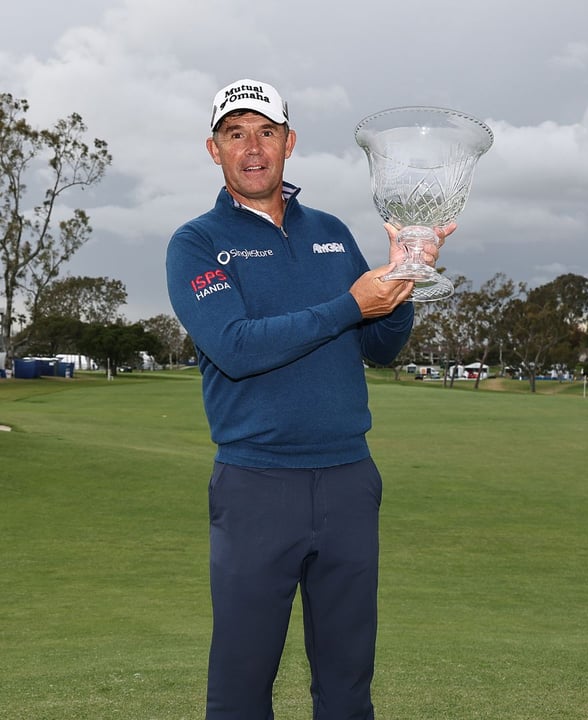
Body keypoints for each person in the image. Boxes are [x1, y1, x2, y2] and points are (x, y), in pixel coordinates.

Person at [166, 78, 451, 719]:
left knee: (348, 684)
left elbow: (379, 344)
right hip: (256, 485)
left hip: (349, 481)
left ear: (289, 143)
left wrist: (404, 276)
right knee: (241, 688)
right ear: (214, 150)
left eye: (266, 132)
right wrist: (349, 304)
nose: (252, 147)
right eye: (235, 134)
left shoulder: (331, 232)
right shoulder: (197, 243)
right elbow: (235, 347)